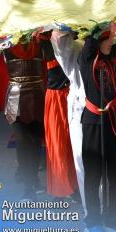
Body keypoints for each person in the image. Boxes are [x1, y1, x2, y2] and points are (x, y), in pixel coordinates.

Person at [78, 31, 116, 232]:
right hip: (93, 122)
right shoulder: (88, 55)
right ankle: (92, 221)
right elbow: (92, 38)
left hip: (114, 119)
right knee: (94, 174)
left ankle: (113, 220)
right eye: (112, 30)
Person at [3, 39, 46, 200]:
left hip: (37, 94)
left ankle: (32, 181)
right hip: (16, 95)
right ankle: (29, 184)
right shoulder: (5, 43)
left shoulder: (41, 42)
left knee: (34, 142)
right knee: (23, 143)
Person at [39, 35, 77, 201]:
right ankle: (60, 189)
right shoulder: (45, 38)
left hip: (74, 95)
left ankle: (75, 185)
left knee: (74, 143)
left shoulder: (76, 34)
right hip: (56, 98)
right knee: (58, 143)